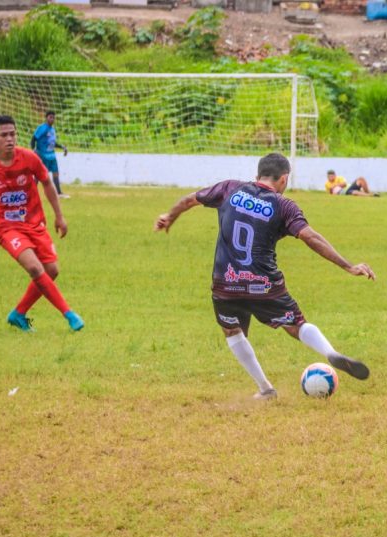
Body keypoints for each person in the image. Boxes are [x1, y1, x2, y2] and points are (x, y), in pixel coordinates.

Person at [155, 153, 375, 400]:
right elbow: (311, 237)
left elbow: (188, 200)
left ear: (257, 174)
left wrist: (169, 216)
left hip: (226, 283)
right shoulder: (283, 205)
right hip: (264, 285)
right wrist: (348, 266)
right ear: (284, 179)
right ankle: (330, 352)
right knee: (295, 325)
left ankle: (265, 388)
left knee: (232, 330)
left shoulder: (230, 188)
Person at [0, 115, 84, 332]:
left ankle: (18, 314)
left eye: (13, 134)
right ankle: (69, 314)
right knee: (34, 267)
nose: (10, 139)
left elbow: (47, 183)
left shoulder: (29, 158)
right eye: (4, 135)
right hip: (3, 226)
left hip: (33, 222)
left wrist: (59, 216)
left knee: (52, 270)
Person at [31, 111, 69, 199]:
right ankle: (31, 192)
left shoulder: (52, 129)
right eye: (50, 117)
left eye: (53, 117)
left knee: (56, 173)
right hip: (43, 155)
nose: (52, 119)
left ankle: (59, 193)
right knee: (39, 174)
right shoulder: (42, 128)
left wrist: (62, 147)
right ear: (46, 118)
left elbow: (52, 143)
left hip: (52, 155)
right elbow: (34, 139)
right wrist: (33, 150)